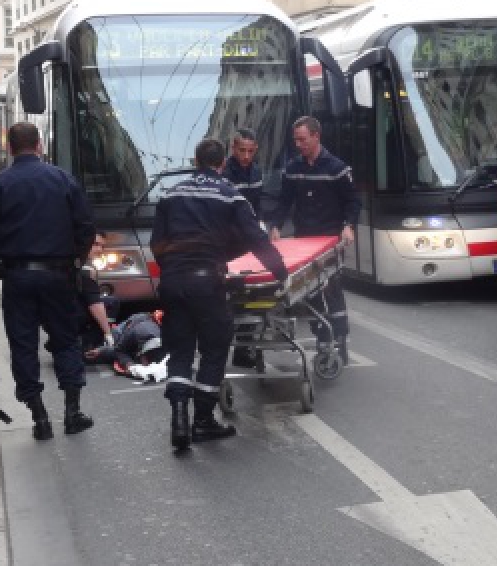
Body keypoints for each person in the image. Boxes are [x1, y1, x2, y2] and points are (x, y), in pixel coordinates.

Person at [151, 138, 288, 451]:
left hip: (174, 282)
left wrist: (172, 268)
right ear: (222, 164)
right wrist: (279, 273)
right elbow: (256, 238)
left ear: (196, 161)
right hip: (207, 283)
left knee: (181, 349)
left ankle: (179, 418)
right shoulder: (230, 195)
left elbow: (158, 242)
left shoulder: (171, 194)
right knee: (214, 346)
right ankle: (202, 420)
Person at [0, 123, 96, 441]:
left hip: (18, 274)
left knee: (23, 345)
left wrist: (0, 264)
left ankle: (40, 416)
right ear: (39, 145)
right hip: (58, 274)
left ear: (10, 147)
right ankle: (73, 412)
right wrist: (76, 261)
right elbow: (85, 226)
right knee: (66, 340)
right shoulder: (62, 179)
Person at [267, 116, 362, 367]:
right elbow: (284, 201)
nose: (298, 144)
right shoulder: (293, 168)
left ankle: (339, 337)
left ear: (316, 136)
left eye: (302, 139)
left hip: (330, 239)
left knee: (331, 287)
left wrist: (348, 226)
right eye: (295, 140)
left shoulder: (337, 169)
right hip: (304, 240)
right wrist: (275, 225)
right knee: (307, 290)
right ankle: (321, 336)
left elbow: (353, 201)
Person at [224, 128, 264, 369]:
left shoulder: (256, 172)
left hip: (248, 240)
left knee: (253, 295)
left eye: (251, 151)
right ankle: (236, 345)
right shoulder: (225, 173)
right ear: (233, 149)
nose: (247, 156)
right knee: (234, 297)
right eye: (242, 151)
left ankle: (245, 346)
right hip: (230, 242)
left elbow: (257, 205)